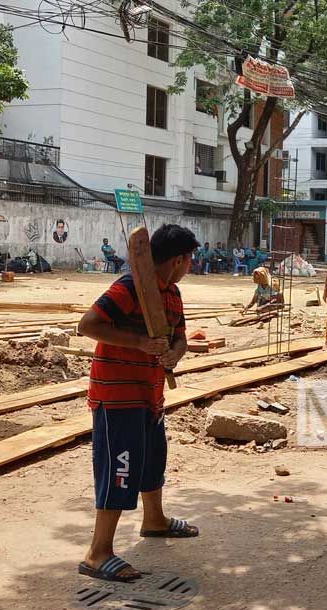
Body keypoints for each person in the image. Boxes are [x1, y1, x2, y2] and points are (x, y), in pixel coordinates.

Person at [76, 224, 200, 583]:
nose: (190, 265)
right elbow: (88, 325)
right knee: (121, 469)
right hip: (117, 395)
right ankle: (98, 552)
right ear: (179, 259)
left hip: (150, 394)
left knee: (151, 461)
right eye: (190, 259)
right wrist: (140, 342)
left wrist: (173, 354)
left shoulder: (172, 294)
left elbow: (180, 338)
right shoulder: (129, 288)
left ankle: (155, 520)